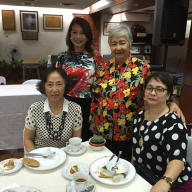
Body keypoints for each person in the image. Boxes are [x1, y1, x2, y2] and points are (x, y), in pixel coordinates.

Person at [89, 24, 185, 162]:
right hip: (104, 128)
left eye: (122, 43)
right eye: (114, 43)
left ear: (130, 44)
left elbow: (154, 88)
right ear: (110, 46)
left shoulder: (142, 67)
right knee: (104, 164)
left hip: (130, 129)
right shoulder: (103, 68)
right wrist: (92, 120)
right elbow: (96, 96)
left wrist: (171, 103)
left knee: (125, 166)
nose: (118, 47)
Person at [132, 72, 192, 192]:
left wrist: (165, 181)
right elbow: (135, 148)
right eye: (149, 88)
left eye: (159, 89)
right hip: (145, 177)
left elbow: (177, 159)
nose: (153, 93)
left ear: (168, 94)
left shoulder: (174, 123)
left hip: (172, 183)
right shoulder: (139, 116)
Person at [56, 17, 104, 142]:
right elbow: (57, 84)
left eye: (82, 33)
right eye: (75, 32)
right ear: (70, 35)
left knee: (85, 140)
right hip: (67, 103)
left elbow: (101, 85)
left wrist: (96, 115)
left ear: (88, 36)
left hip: (89, 104)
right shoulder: (63, 57)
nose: (78, 36)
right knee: (66, 140)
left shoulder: (96, 56)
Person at [24, 67, 82, 152]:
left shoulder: (76, 109)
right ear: (44, 86)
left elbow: (76, 142)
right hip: (40, 158)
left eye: (59, 84)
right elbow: (27, 140)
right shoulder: (34, 109)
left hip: (66, 158)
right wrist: (38, 160)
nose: (54, 89)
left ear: (65, 85)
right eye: (50, 84)